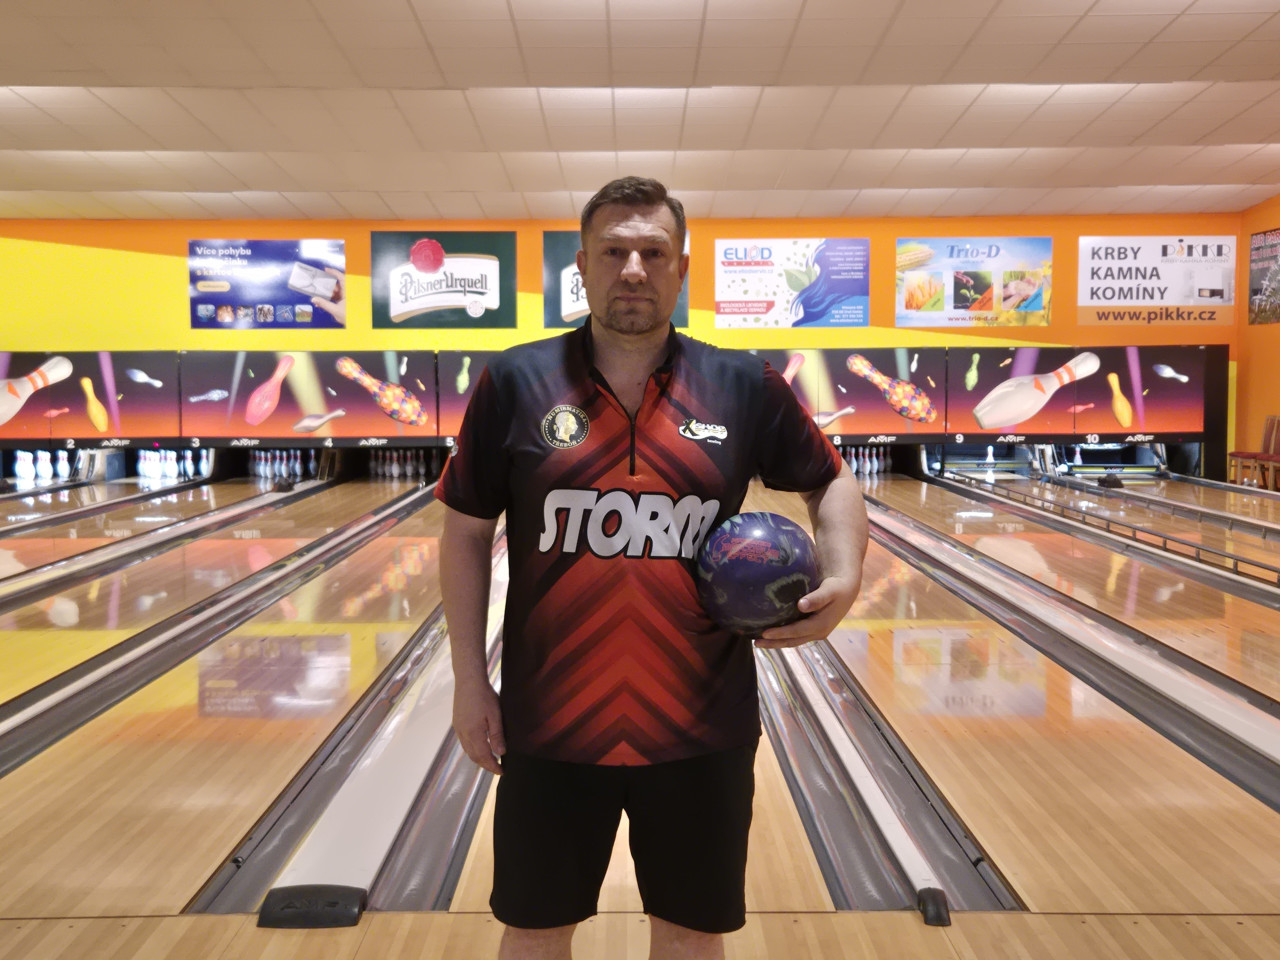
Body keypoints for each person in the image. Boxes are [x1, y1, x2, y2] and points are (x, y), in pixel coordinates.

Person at [437, 176, 867, 960]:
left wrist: (844, 578)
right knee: (533, 930)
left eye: (653, 252)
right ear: (582, 265)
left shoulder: (743, 383)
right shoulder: (516, 380)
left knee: (692, 935)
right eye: (613, 252)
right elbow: (465, 532)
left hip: (702, 726)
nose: (633, 269)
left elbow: (830, 479)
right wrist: (470, 681)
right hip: (551, 723)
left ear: (681, 268)